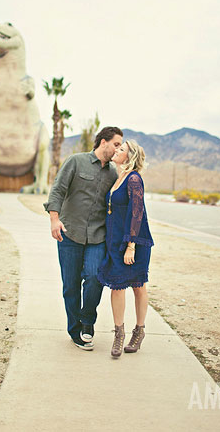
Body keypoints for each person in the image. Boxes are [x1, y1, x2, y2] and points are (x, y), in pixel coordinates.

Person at [44, 127, 123, 350]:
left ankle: (88, 322)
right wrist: (54, 219)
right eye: (116, 144)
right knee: (70, 285)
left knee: (94, 278)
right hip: (70, 233)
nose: (118, 149)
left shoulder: (113, 173)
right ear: (104, 142)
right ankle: (75, 329)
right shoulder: (75, 162)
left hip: (98, 237)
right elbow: (58, 190)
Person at [97, 140, 154, 358]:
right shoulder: (118, 178)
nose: (116, 150)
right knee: (117, 286)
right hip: (115, 241)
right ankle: (118, 333)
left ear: (129, 157)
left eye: (121, 149)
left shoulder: (134, 179)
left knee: (138, 286)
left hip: (134, 242)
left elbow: (137, 212)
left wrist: (131, 245)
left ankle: (139, 331)